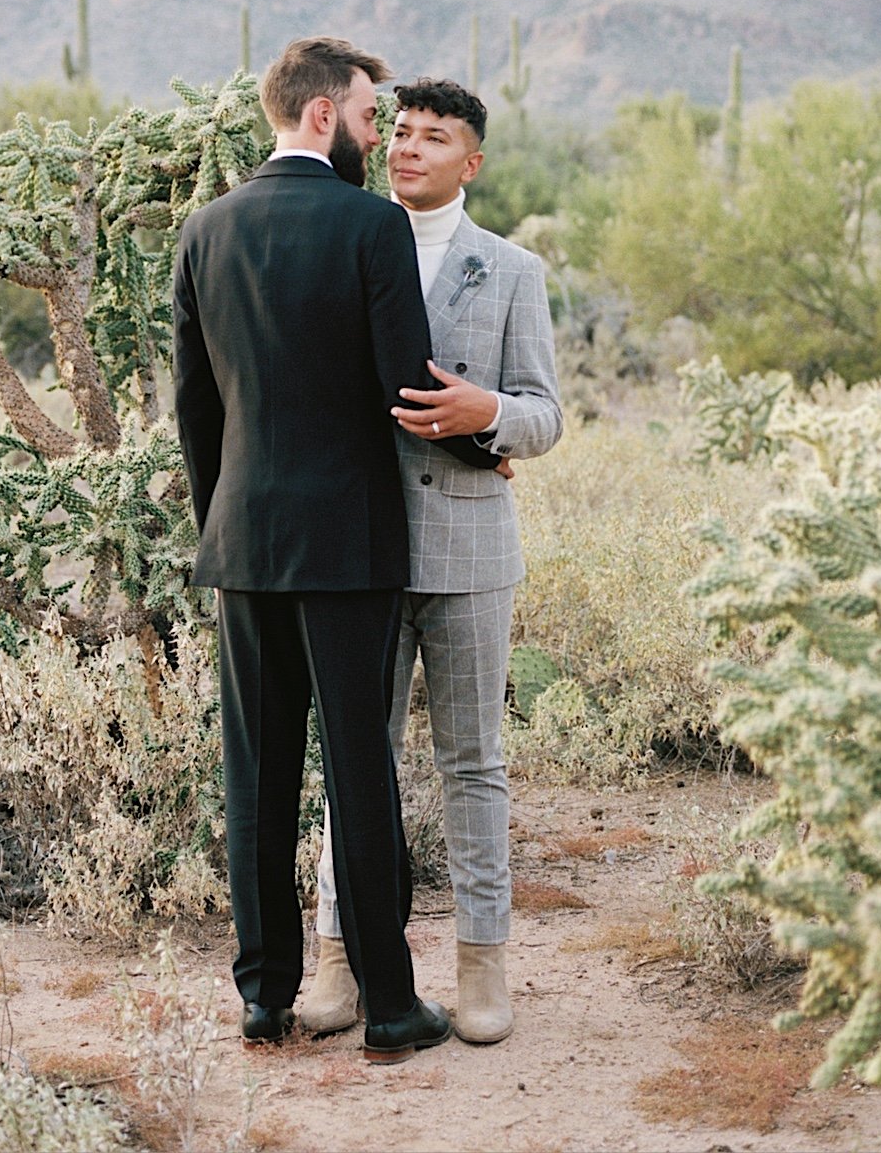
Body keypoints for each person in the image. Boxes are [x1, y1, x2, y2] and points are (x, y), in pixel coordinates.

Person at [171, 38, 503, 1062]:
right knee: (359, 771)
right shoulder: (371, 226)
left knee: (257, 773)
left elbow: (193, 406)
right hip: (351, 541)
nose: (378, 135)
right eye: (369, 115)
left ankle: (265, 998)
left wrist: (222, 514)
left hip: (243, 539)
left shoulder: (204, 229)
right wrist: (484, 443)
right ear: (323, 115)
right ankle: (393, 1009)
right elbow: (407, 385)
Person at [302, 78, 563, 1047]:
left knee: (473, 763)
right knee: (355, 765)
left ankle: (482, 966)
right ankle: (340, 962)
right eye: (400, 130)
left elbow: (546, 412)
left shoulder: (511, 269)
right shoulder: (340, 244)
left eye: (433, 136)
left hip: (468, 544)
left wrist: (484, 412)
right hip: (358, 548)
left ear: (472, 159)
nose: (408, 147)